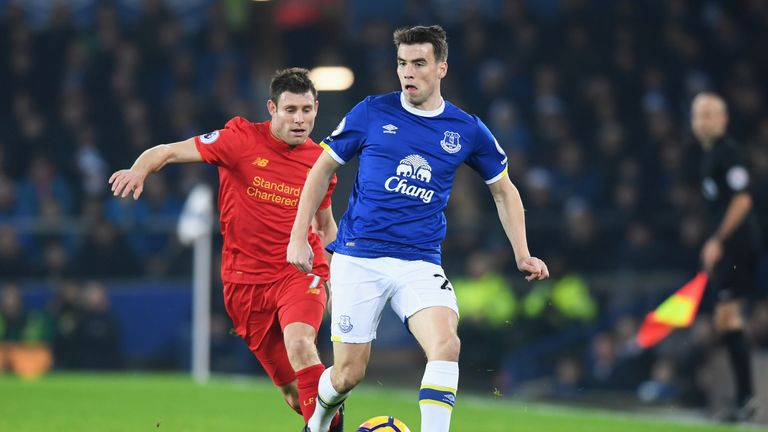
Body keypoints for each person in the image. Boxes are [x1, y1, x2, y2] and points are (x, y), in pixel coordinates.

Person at [287, 25, 549, 432]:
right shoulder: (371, 112)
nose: (408, 73)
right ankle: (317, 424)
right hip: (358, 258)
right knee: (347, 375)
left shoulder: (466, 129)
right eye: (402, 64)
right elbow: (321, 169)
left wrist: (521, 252)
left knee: (446, 344)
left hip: (420, 261)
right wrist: (299, 235)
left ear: (442, 68)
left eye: (419, 63)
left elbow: (504, 190)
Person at [109, 68, 343, 431]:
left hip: (298, 273)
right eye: (290, 110)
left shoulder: (322, 161)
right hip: (244, 284)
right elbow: (169, 151)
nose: (300, 120)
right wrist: (139, 170)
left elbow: (325, 224)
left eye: (307, 110)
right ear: (272, 108)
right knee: (295, 394)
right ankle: (331, 420)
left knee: (301, 345)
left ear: (316, 108)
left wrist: (334, 274)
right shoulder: (238, 140)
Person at [691, 92, 761, 422]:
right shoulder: (709, 155)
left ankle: (746, 399)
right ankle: (744, 398)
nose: (702, 121)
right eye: (698, 115)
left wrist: (717, 240)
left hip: (738, 247)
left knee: (729, 319)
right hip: (730, 247)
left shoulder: (728, 152)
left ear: (723, 119)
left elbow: (742, 200)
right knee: (725, 320)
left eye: (708, 115)